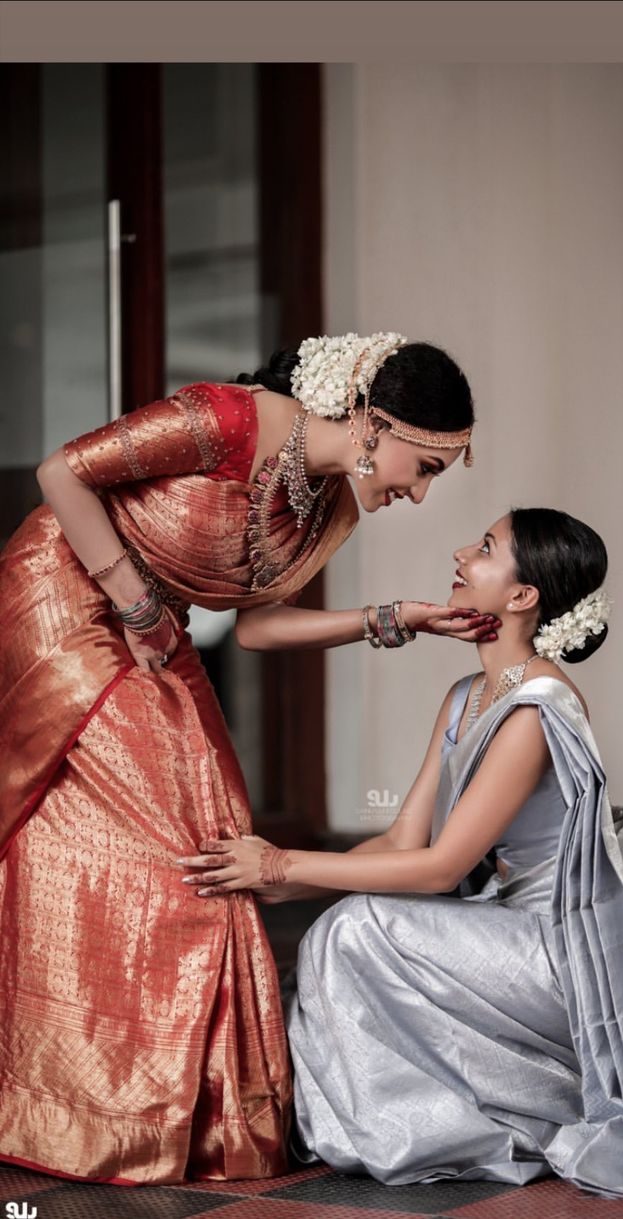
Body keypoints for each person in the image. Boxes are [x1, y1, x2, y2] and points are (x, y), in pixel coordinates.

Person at [0, 332, 500, 1186]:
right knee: (173, 845)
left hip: (147, 620)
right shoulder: (224, 420)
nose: (416, 495)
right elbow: (60, 474)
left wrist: (393, 618)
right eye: (422, 468)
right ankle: (88, 1111)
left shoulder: (331, 503)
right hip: (65, 595)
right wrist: (132, 600)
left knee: (222, 839)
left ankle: (193, 1113)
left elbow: (261, 627)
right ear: (374, 423)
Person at [183, 507, 623, 1205]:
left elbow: (441, 868)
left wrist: (284, 863)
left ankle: (406, 1130)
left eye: (483, 548)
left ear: (521, 596)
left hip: (560, 952)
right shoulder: (464, 696)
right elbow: (401, 839)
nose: (459, 553)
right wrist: (273, 883)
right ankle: (381, 1124)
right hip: (504, 928)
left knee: (358, 929)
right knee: (342, 929)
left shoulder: (537, 706)